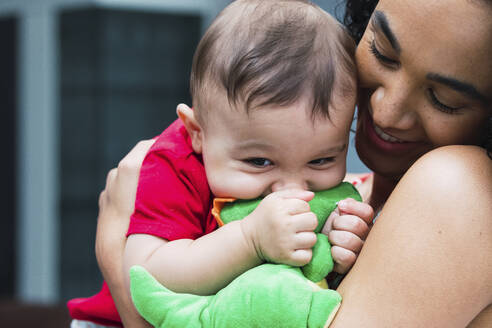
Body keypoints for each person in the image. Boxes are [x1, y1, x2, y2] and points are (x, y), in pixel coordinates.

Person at [95, 0, 492, 326]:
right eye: (382, 53)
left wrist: (113, 247)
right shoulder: (343, 196)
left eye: (444, 99)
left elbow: (144, 281)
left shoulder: (458, 190)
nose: (385, 112)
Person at [68, 1, 375, 326]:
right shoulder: (174, 165)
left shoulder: (332, 189)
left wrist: (332, 239)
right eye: (259, 161)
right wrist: (250, 239)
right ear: (197, 132)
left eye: (322, 159)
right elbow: (147, 273)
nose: (292, 189)